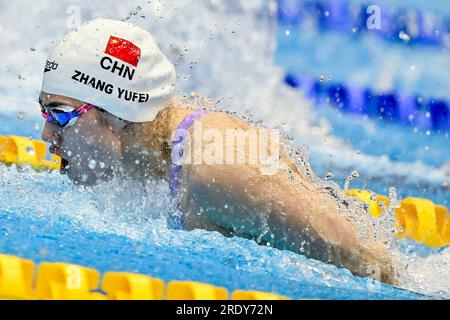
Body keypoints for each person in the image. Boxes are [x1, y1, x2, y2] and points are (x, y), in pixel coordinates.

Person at [39, 18, 397, 284]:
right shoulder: (150, 154)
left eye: (59, 113)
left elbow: (365, 261)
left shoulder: (219, 169)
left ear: (116, 115)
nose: (46, 133)